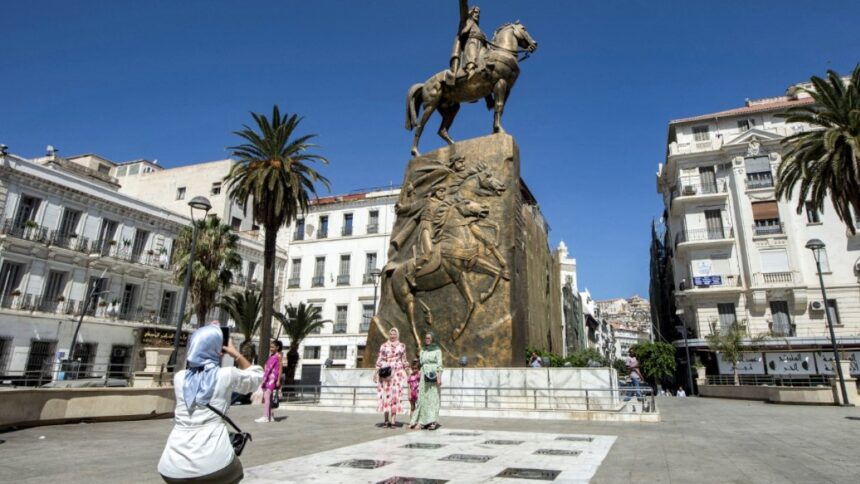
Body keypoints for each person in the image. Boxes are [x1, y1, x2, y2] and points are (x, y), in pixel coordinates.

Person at [158, 324, 262, 483]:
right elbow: (258, 377)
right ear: (218, 350)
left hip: (171, 467)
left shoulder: (180, 378)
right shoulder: (226, 374)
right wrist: (234, 353)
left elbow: (196, 369)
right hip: (214, 463)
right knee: (234, 472)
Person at [374, 327, 409, 428]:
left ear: (397, 335)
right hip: (386, 372)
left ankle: (393, 420)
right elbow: (380, 359)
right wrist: (375, 372)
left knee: (395, 396)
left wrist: (408, 372)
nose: (392, 336)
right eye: (391, 334)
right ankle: (386, 420)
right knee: (386, 395)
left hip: (397, 373)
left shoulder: (402, 346)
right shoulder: (384, 346)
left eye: (394, 334)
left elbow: (404, 360)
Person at [409, 332, 443, 430]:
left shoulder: (437, 350)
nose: (427, 340)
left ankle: (433, 421)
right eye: (426, 338)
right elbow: (420, 363)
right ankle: (422, 421)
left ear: (433, 339)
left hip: (433, 375)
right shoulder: (423, 350)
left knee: (432, 398)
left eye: (429, 338)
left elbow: (440, 365)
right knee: (422, 398)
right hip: (424, 375)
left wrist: (439, 377)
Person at [256, 340, 283, 423]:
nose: (271, 348)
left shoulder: (279, 355)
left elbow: (281, 369)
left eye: (272, 347)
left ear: (277, 347)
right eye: (270, 347)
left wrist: (278, 380)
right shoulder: (272, 355)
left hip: (273, 379)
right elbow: (268, 366)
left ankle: (265, 417)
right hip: (268, 378)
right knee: (269, 397)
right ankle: (271, 416)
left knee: (266, 396)